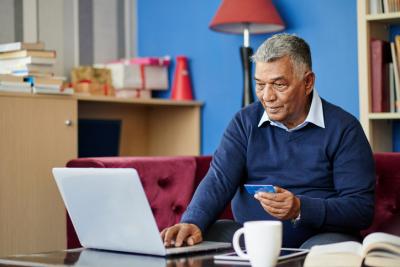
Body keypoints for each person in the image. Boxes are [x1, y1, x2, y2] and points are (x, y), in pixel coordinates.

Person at [161, 33, 375, 249]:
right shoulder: (245, 121)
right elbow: (219, 180)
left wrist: (300, 208)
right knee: (200, 236)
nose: (267, 96)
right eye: (260, 85)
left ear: (308, 82)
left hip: (322, 237)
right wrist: (192, 221)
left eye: (279, 85)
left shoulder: (344, 128)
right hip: (253, 236)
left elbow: (360, 208)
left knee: (322, 254)